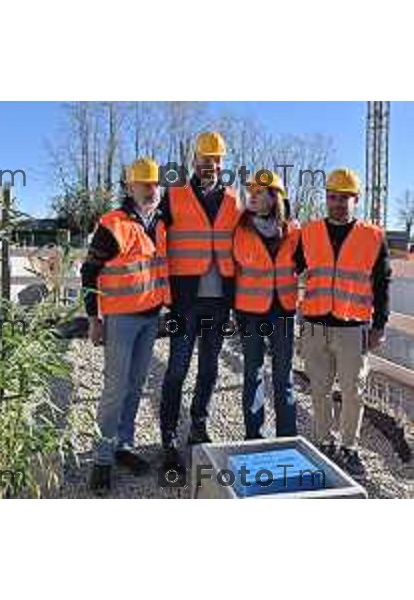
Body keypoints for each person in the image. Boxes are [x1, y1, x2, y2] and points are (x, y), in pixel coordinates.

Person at [80, 158, 170, 492]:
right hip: (120, 320)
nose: (151, 189)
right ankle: (101, 460)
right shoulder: (112, 224)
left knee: (136, 386)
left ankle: (124, 446)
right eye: (144, 184)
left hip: (150, 318)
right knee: (114, 390)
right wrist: (94, 318)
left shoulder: (160, 223)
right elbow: (88, 272)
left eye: (155, 183)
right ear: (129, 187)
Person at [297, 167, 391, 475]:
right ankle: (324, 442)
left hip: (353, 328)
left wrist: (380, 325)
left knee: (354, 391)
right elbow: (285, 266)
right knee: (319, 389)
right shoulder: (308, 232)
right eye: (332, 197)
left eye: (344, 198)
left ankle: (349, 448)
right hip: (315, 326)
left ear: (356, 200)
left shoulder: (373, 236)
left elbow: (382, 284)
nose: (337, 203)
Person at [159, 132, 242, 467]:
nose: (212, 165)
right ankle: (167, 435)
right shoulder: (174, 194)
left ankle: (198, 425)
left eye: (217, 160)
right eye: (206, 159)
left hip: (218, 302)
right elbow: (153, 234)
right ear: (194, 160)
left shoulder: (234, 200)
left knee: (209, 369)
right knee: (177, 369)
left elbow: (248, 243)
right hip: (185, 300)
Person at [233, 171, 300, 440]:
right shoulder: (240, 230)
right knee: (253, 373)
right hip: (249, 312)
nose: (253, 197)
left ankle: (287, 437)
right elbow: (232, 270)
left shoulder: (295, 231)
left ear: (275, 197)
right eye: (251, 193)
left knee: (284, 378)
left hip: (282, 311)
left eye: (259, 192)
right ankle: (254, 435)